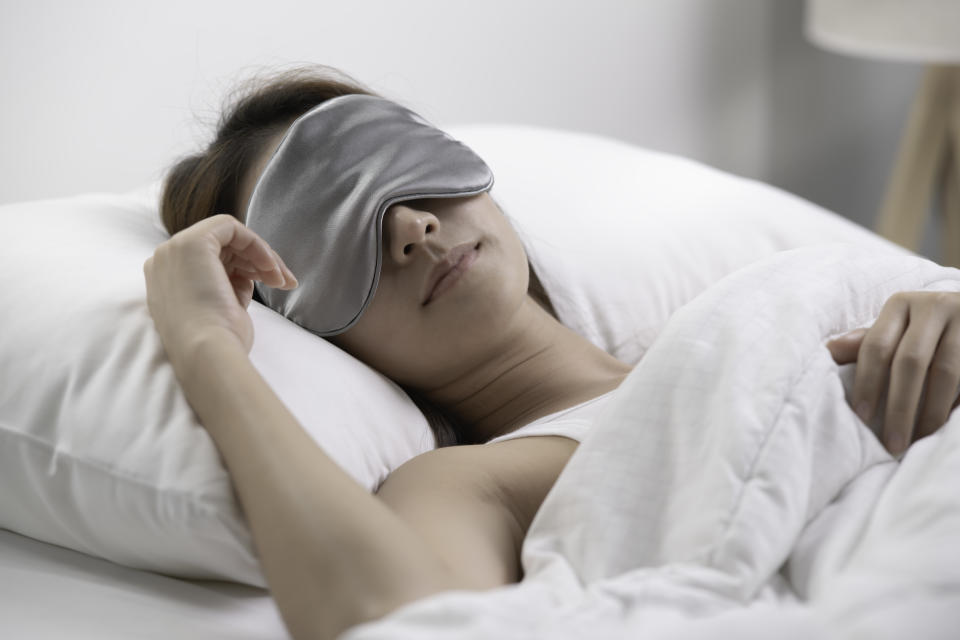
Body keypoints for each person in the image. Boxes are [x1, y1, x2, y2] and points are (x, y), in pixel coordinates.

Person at [144, 66, 960, 640]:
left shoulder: (743, 325)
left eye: (397, 168)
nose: (408, 227)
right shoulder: (472, 483)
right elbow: (398, 621)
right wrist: (207, 347)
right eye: (324, 240)